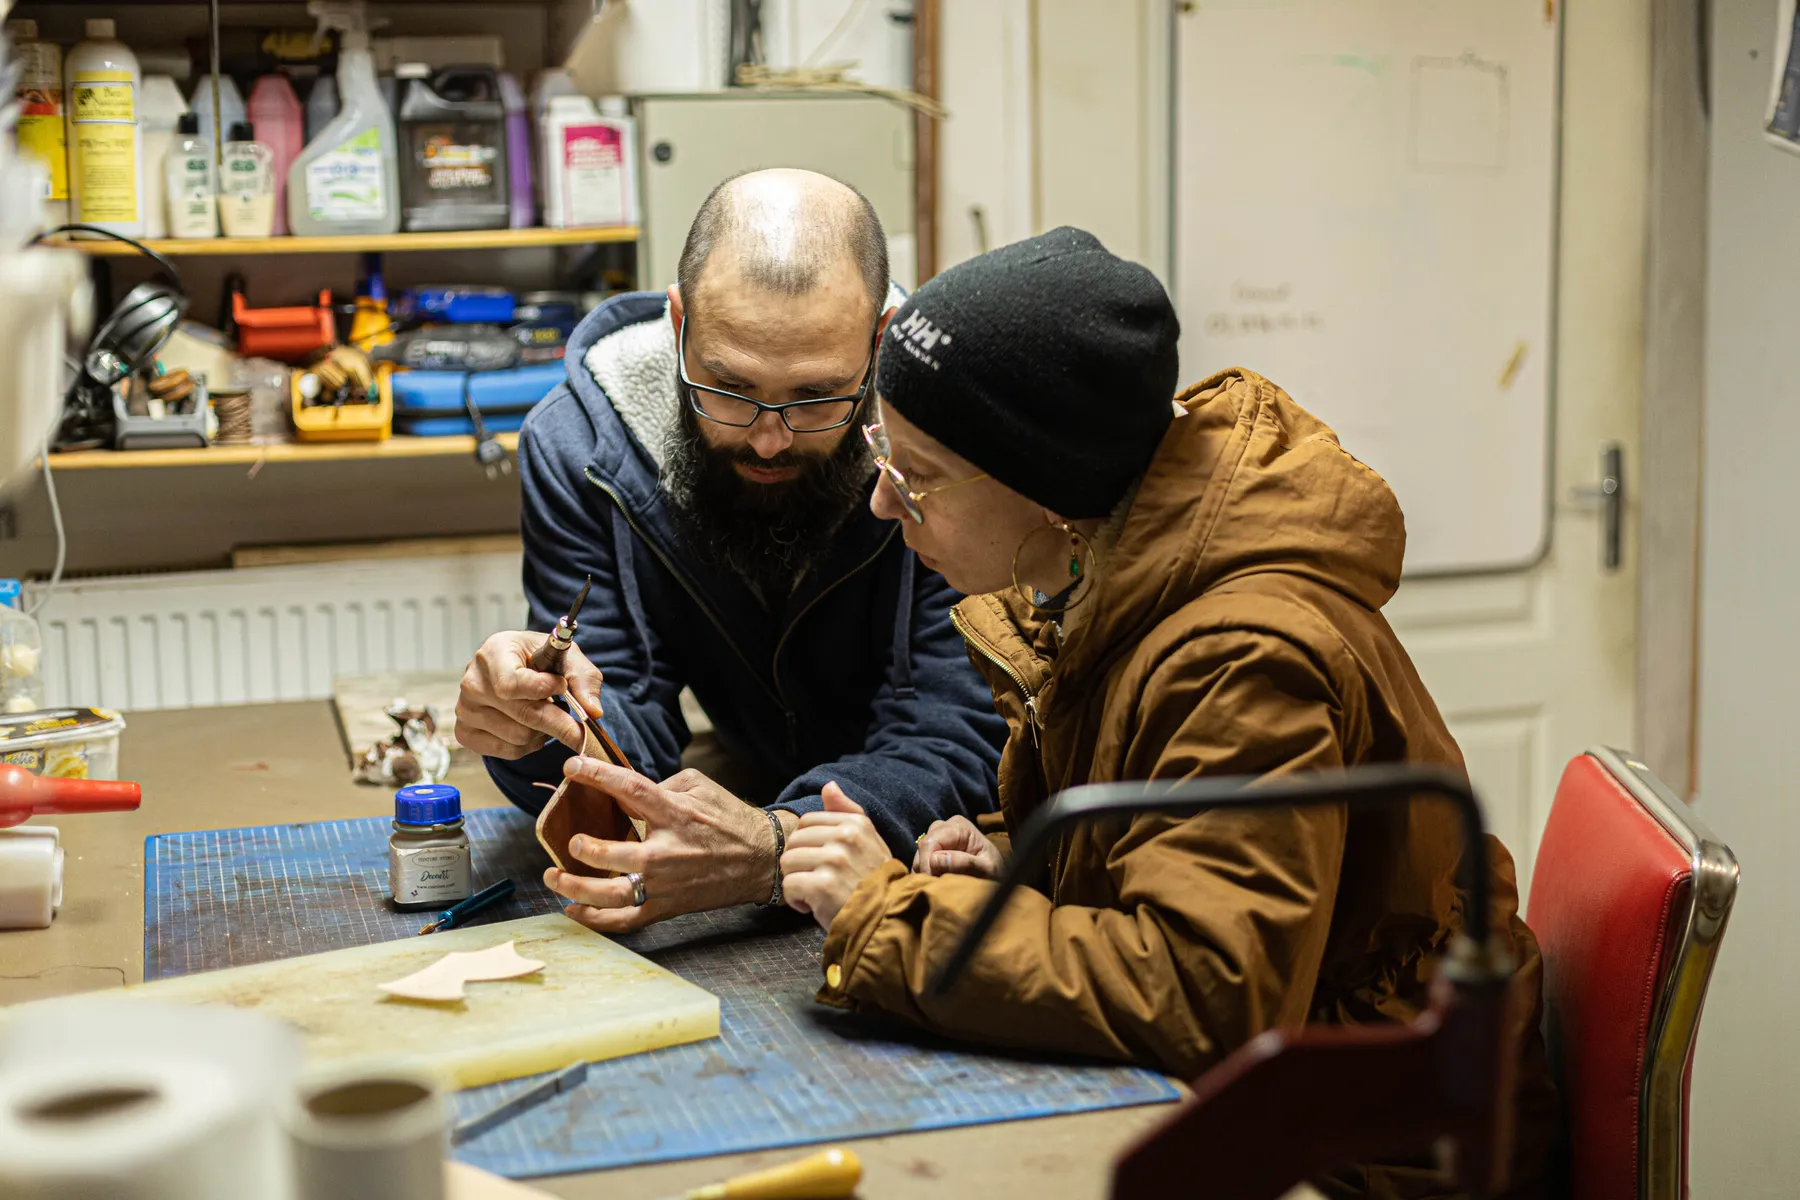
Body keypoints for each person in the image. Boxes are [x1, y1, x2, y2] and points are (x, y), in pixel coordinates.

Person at [775, 228, 1557, 1199]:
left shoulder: (1242, 658)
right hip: (1284, 1105)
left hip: (1369, 1150)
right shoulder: (1103, 584)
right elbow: (1174, 856)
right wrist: (1022, 864)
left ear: (1050, 492)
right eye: (883, 453)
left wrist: (888, 917)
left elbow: (1209, 1000)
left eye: (919, 476)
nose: (884, 504)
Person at [455, 169, 1006, 932]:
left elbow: (955, 731)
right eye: (729, 387)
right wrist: (537, 725)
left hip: (915, 852)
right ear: (679, 324)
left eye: (815, 396)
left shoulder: (954, 438)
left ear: (878, 342)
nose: (769, 438)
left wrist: (779, 843)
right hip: (760, 792)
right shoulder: (580, 447)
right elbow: (622, 726)